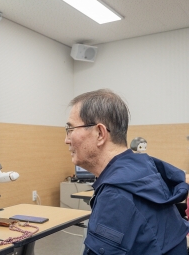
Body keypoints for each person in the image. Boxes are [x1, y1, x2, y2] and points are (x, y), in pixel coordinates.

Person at [65, 89, 189, 254]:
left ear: (100, 133)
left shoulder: (115, 195)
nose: (66, 140)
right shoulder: (146, 168)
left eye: (71, 129)